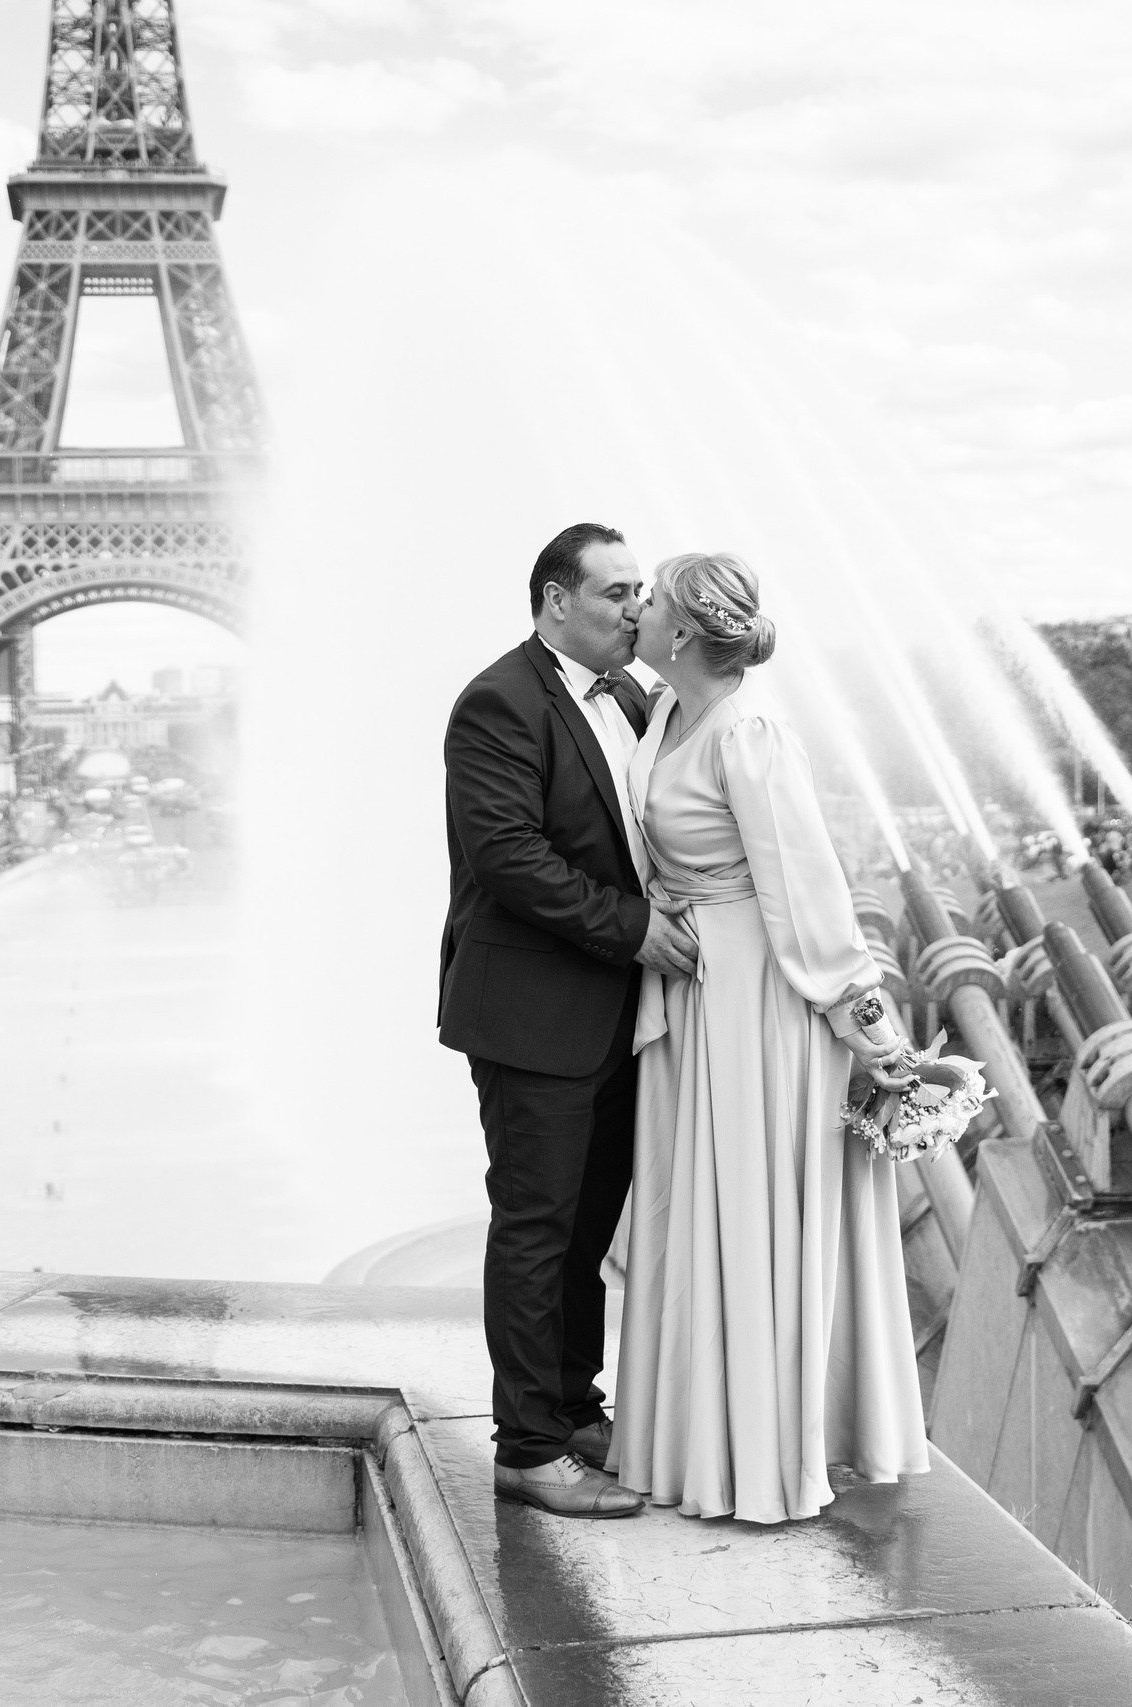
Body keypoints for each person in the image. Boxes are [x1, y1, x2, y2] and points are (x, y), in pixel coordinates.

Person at [609, 551, 927, 1524]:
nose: (637, 607)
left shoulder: (746, 731)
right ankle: (710, 1446)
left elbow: (803, 888)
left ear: (685, 631)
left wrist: (867, 1025)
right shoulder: (666, 712)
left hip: (757, 1000)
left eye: (650, 598)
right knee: (705, 1216)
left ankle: (761, 1459)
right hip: (700, 989)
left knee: (742, 1211)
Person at [440, 522, 701, 1520]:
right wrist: (633, 932)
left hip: (613, 1016)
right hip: (533, 1015)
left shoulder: (634, 696)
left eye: (640, 591)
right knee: (536, 1229)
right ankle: (528, 1448)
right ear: (557, 600)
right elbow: (508, 859)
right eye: (616, 593)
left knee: (587, 1231)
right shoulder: (498, 703)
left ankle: (573, 1406)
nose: (637, 608)